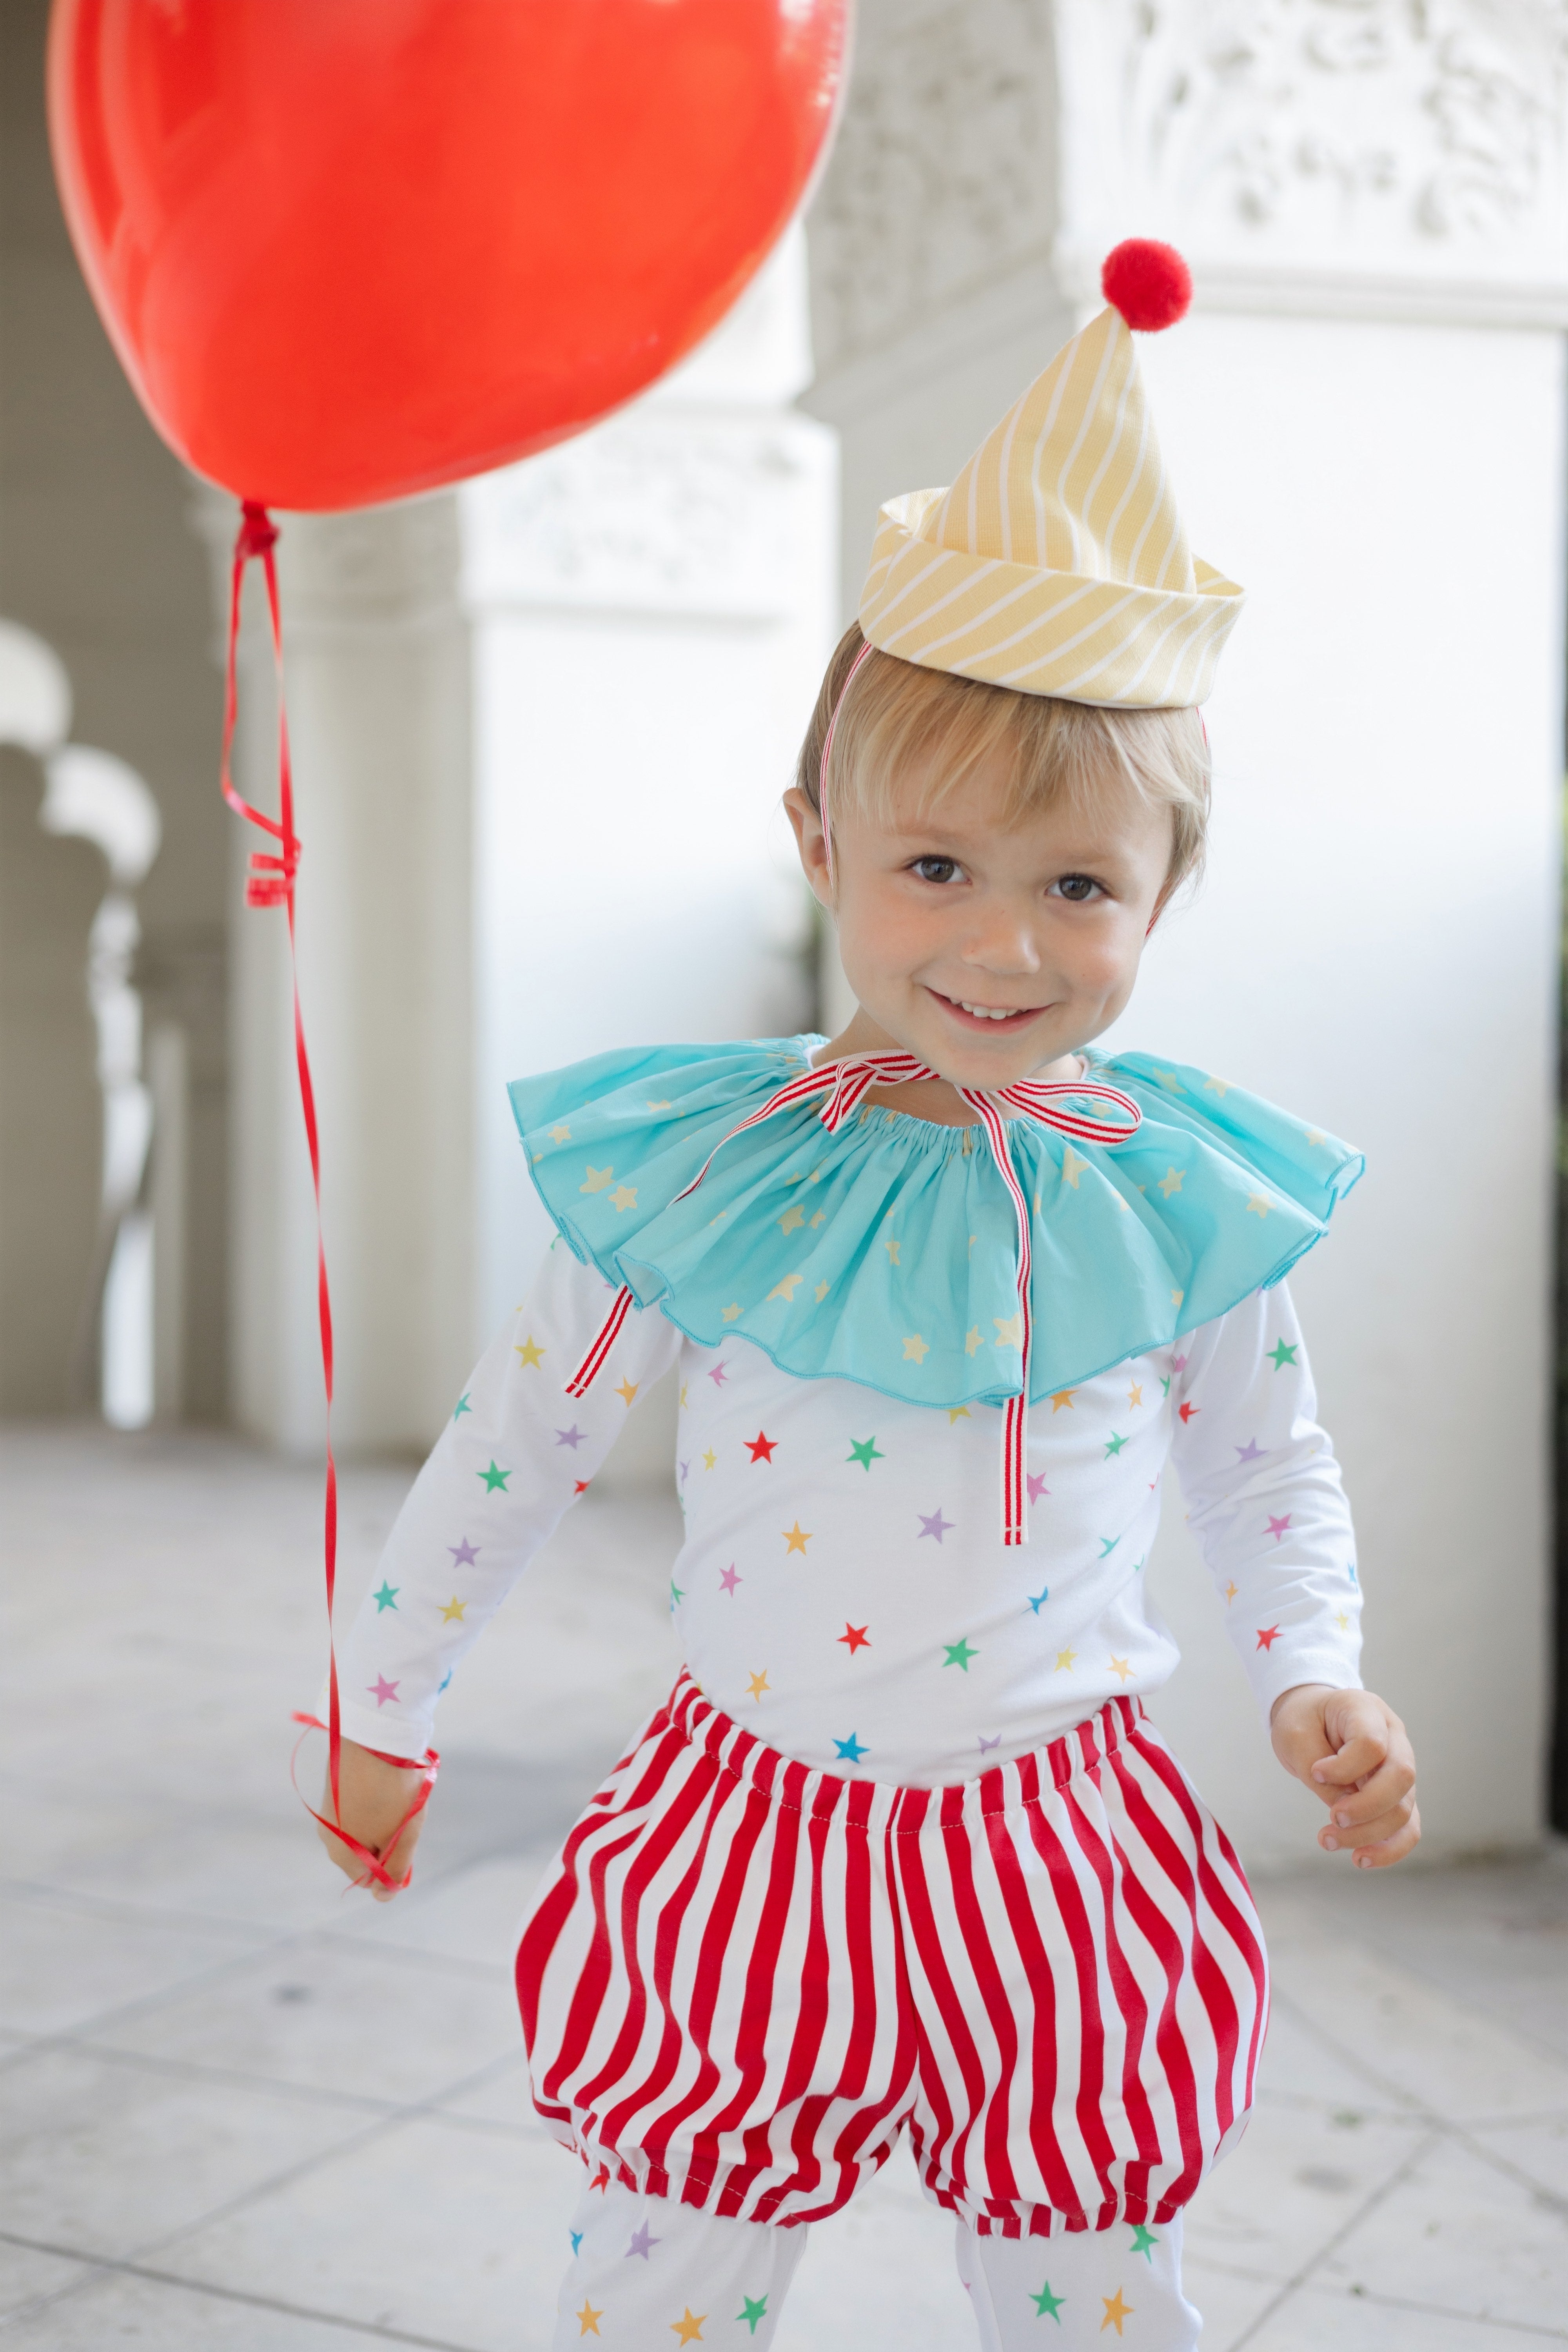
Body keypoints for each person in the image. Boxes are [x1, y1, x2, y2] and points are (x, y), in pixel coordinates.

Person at [313, 242, 1418, 2350]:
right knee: (664, 2282)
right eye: (937, 866)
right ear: (817, 843)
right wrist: (389, 1702)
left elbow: (1269, 1467)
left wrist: (1313, 1673)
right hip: (749, 1829)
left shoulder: (1171, 1196)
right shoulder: (714, 1168)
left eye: (1079, 884)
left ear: (1164, 895)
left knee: (1091, 2284)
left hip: (1062, 1850)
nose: (1003, 942)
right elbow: (520, 1432)